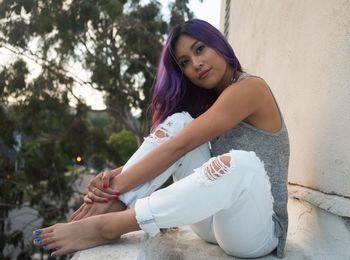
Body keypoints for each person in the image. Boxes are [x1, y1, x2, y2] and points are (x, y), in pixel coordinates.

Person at [32, 19, 289, 258]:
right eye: (185, 62)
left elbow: (181, 147)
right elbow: (176, 143)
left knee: (240, 163)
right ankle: (116, 204)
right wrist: (114, 179)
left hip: (256, 232)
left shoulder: (250, 88)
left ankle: (111, 224)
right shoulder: (214, 102)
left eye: (200, 49)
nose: (195, 64)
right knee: (181, 123)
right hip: (213, 223)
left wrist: (115, 187)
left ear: (219, 45)